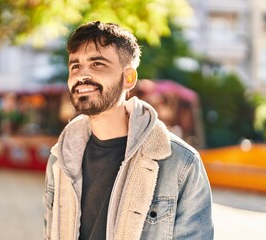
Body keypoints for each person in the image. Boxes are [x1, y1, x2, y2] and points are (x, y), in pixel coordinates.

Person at [43, 21, 214, 240]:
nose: (81, 75)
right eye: (75, 66)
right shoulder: (60, 159)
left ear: (129, 78)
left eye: (97, 64)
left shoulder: (181, 163)